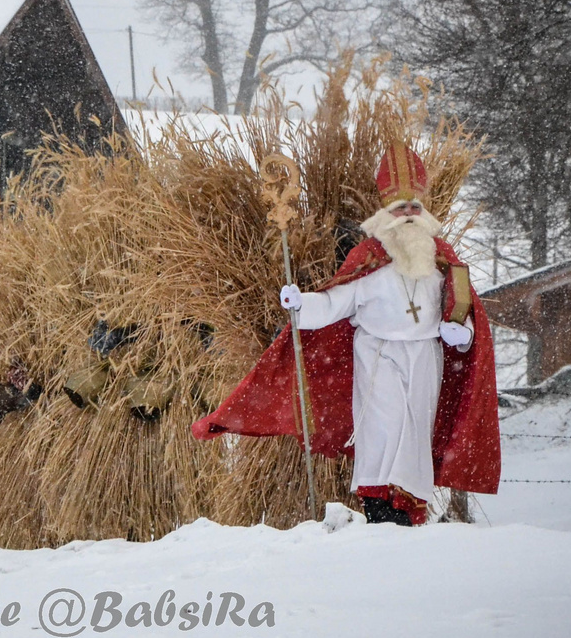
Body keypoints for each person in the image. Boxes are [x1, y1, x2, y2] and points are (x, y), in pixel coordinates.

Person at [194, 142, 500, 524]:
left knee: (416, 434)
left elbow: (461, 307)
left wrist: (463, 333)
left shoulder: (440, 259)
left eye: (414, 208)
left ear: (424, 212)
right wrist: (301, 303)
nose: (407, 215)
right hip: (377, 357)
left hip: (425, 357)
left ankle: (409, 512)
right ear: (384, 214)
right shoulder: (368, 259)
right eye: (399, 208)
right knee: (385, 429)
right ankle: (380, 508)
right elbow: (336, 302)